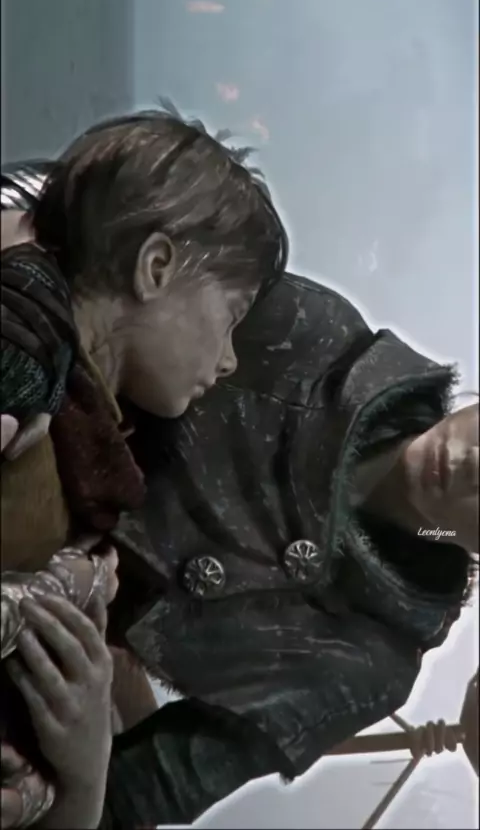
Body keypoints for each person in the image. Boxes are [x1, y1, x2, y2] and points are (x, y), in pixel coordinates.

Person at [2, 161, 478, 827]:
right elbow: (89, 224)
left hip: (35, 646)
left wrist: (83, 763)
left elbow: (129, 801)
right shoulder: (313, 333)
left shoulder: (368, 663)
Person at [1, 109, 288, 826]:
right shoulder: (22, 353)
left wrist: (79, 773)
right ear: (155, 268)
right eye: (231, 316)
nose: (229, 360)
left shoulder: (84, 427)